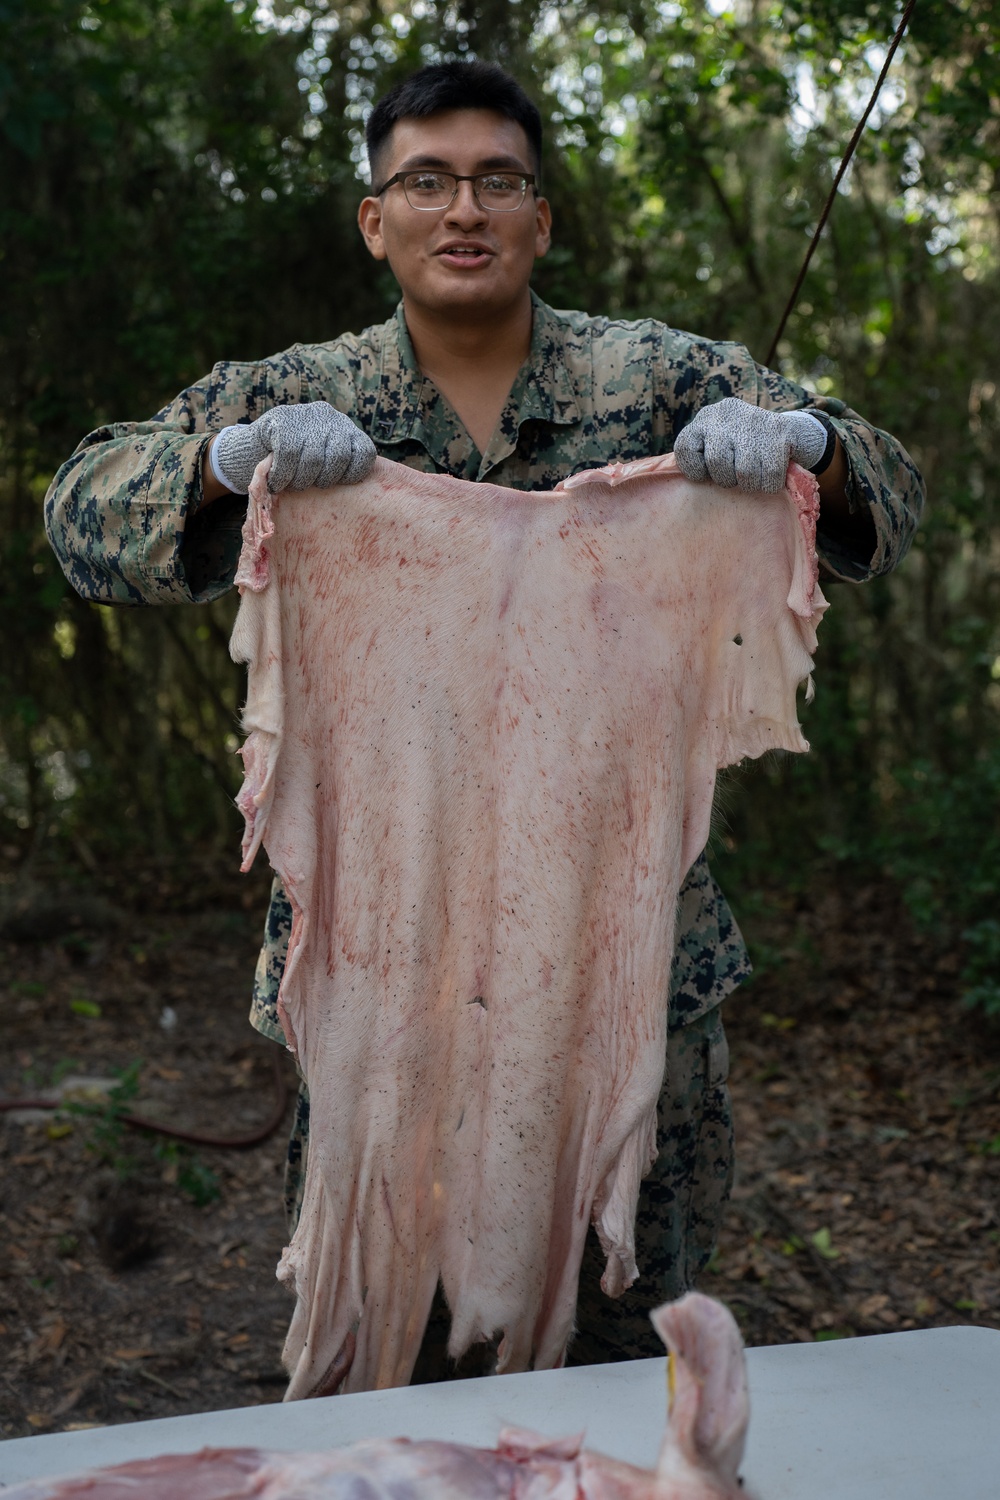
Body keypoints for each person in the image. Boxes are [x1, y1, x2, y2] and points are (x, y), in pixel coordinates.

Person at [45, 60, 923, 1369]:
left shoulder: (661, 377)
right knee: (393, 1353)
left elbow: (891, 493)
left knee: (624, 1358)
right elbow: (80, 514)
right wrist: (222, 469)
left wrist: (810, 450)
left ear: (541, 218)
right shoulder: (300, 393)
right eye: (428, 181)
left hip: (630, 979)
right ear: (375, 218)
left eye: (498, 181)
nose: (465, 209)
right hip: (383, 985)